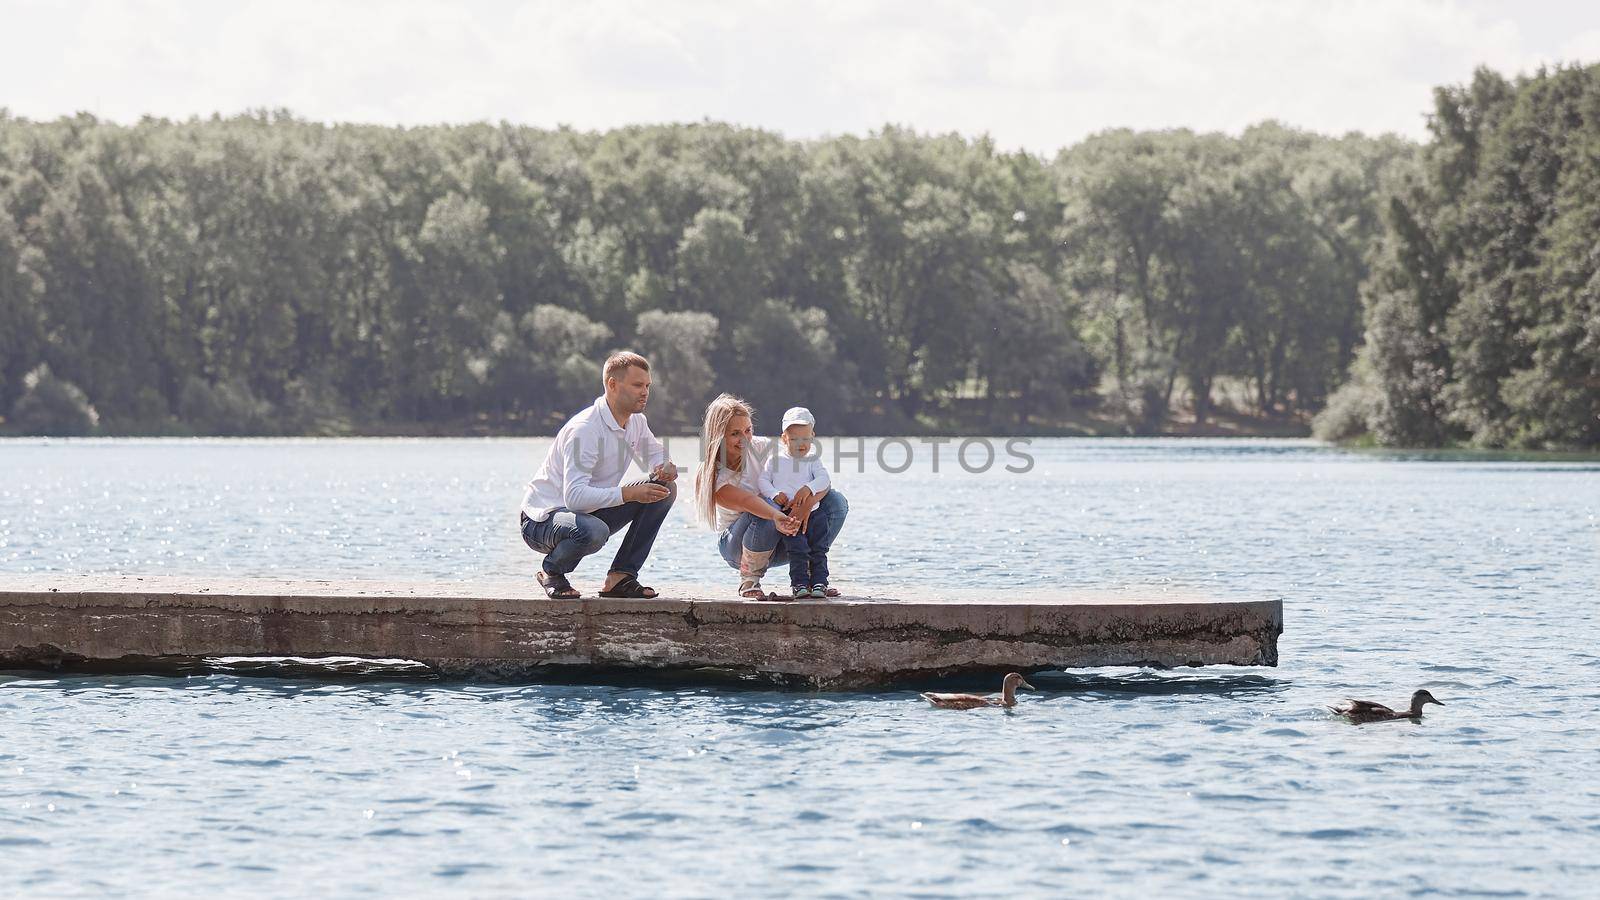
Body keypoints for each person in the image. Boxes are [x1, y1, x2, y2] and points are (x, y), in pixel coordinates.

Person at [520, 352, 676, 599]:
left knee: (664, 490)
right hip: (542, 520)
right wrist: (629, 494)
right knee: (594, 532)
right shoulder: (585, 429)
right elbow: (574, 498)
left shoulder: (636, 421)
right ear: (612, 385)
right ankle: (552, 571)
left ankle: (621, 577)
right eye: (637, 385)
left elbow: (656, 454)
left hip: (586, 514)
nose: (645, 392)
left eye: (647, 386)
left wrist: (665, 467)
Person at [693, 394, 847, 599]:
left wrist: (806, 505)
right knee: (766, 506)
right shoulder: (713, 476)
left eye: (748, 430)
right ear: (719, 435)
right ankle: (749, 581)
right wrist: (777, 516)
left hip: (780, 536)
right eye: (735, 434)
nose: (745, 439)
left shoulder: (762, 448)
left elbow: (821, 482)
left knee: (835, 502)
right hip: (738, 548)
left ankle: (813, 577)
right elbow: (749, 501)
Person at [760, 406, 832, 598]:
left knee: (819, 550)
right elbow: (763, 481)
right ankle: (799, 584)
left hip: (815, 515)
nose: (801, 444)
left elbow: (824, 480)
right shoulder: (775, 460)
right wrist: (775, 493)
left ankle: (819, 583)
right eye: (794, 439)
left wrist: (809, 488)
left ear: (812, 436)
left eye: (806, 439)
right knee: (797, 550)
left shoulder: (813, 460)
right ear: (784, 438)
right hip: (790, 516)